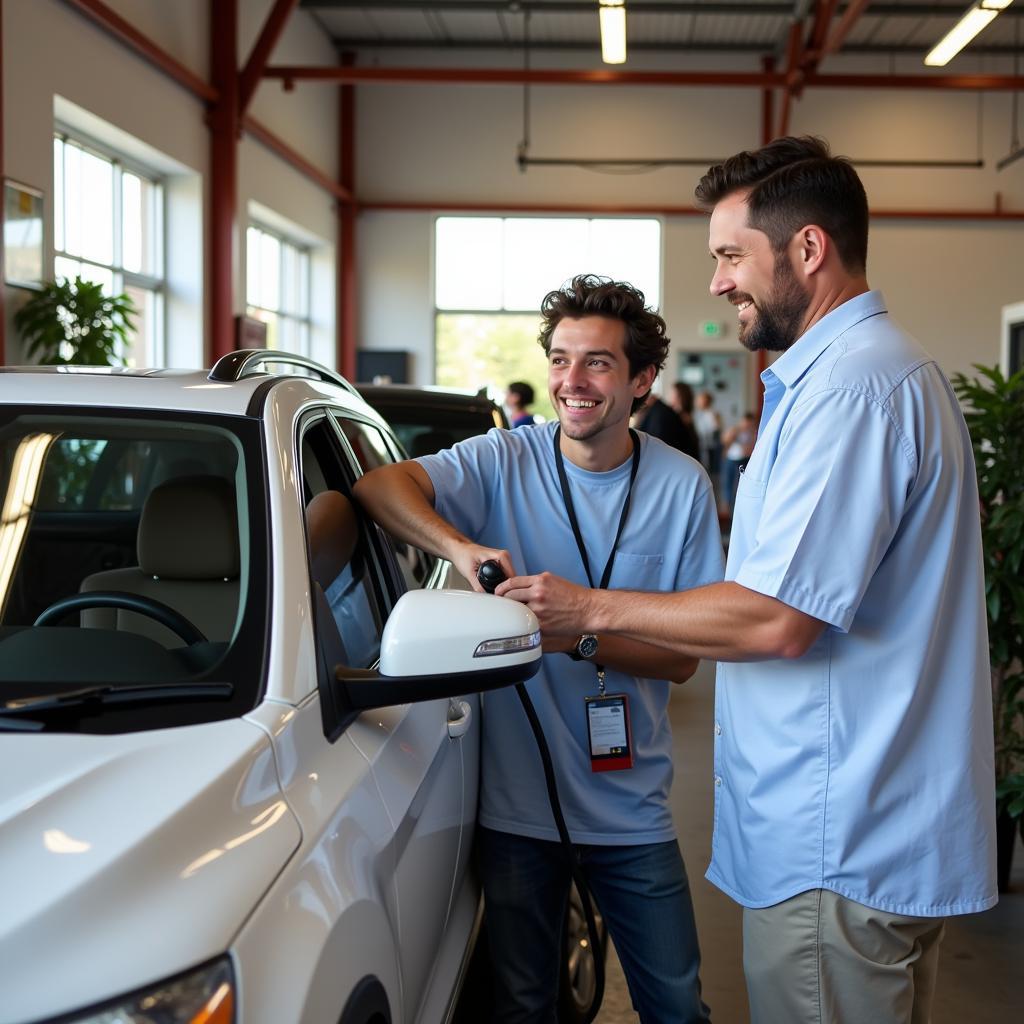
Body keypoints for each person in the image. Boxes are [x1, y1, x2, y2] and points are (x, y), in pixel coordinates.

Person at [493, 139, 997, 1024]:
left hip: (838, 842)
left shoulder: (851, 391)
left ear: (807, 250)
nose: (721, 283)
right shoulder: (871, 375)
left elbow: (777, 620)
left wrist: (584, 608)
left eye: (731, 256)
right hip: (871, 830)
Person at [354, 274, 722, 1024]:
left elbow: (683, 657)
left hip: (632, 810)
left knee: (678, 1006)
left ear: (642, 378)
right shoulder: (504, 459)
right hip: (517, 810)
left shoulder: (681, 486)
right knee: (524, 1006)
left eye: (597, 362)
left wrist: (577, 636)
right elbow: (379, 489)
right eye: (560, 359)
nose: (571, 382)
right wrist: (458, 547)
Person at [635, 386, 700, 460]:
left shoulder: (682, 417)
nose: (669, 396)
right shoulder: (673, 414)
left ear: (680, 397)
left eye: (672, 394)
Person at [718, 409, 755, 514]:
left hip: (744, 461)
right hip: (730, 460)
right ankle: (725, 510)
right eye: (745, 421)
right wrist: (734, 434)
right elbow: (724, 441)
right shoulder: (735, 430)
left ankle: (738, 509)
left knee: (740, 486)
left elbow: (752, 449)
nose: (747, 424)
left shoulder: (753, 433)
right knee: (727, 484)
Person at [692, 389, 722, 477]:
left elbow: (716, 431)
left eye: (699, 400)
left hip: (708, 448)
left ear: (706, 401)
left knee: (708, 472)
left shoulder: (713, 414)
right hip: (700, 446)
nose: (697, 402)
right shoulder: (696, 413)